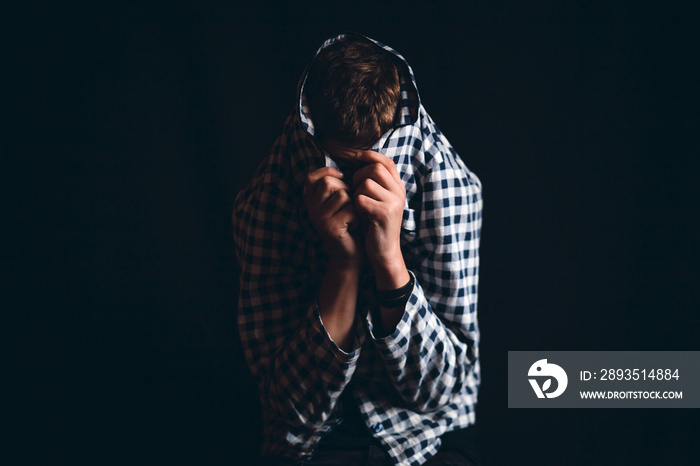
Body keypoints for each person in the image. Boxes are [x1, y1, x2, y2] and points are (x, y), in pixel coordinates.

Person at [232, 33, 483, 466]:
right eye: (342, 167)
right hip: (313, 446)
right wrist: (344, 264)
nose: (355, 187)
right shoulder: (266, 202)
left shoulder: (448, 184)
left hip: (428, 438)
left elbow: (441, 392)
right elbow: (292, 409)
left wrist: (389, 259)